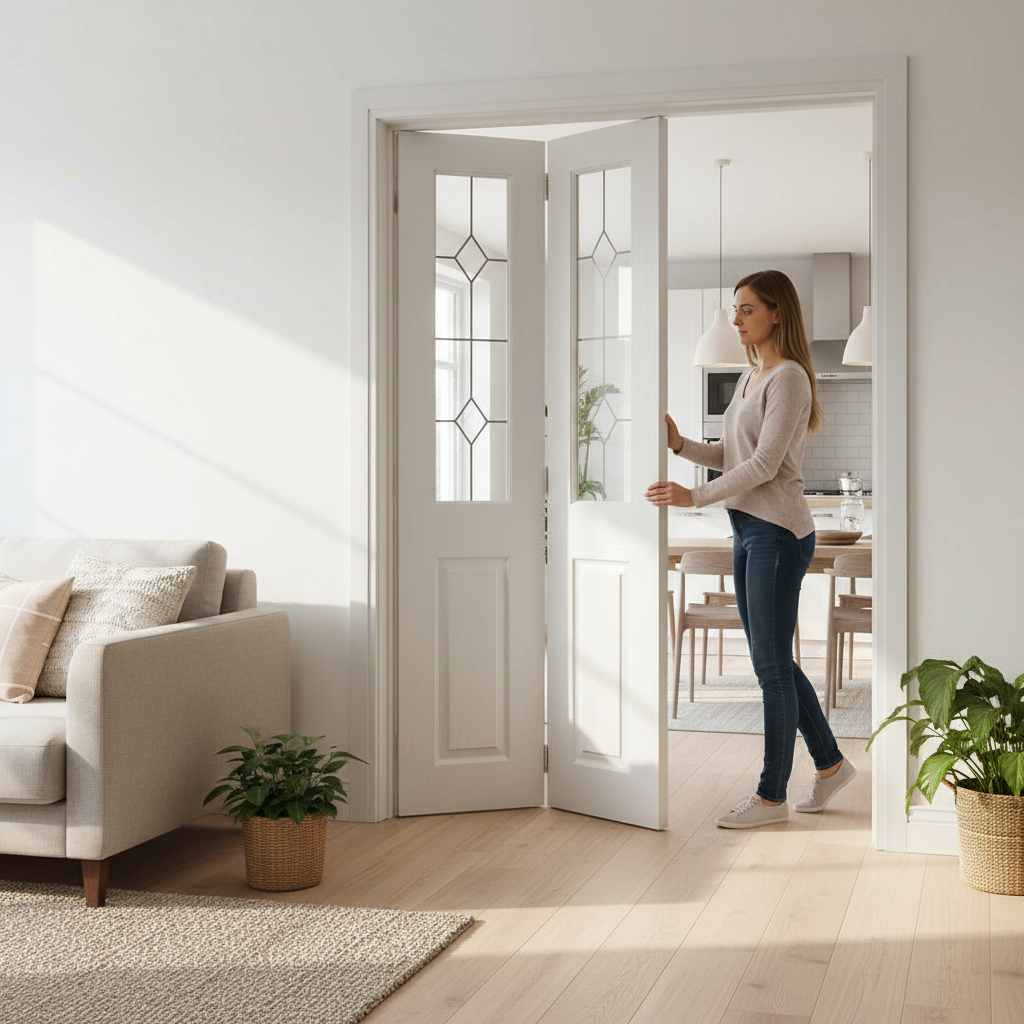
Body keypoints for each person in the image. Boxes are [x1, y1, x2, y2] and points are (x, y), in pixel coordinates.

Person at [644, 269, 856, 828]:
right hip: (747, 529)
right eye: (735, 310)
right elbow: (733, 453)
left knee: (768, 665)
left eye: (746, 310)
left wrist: (694, 499)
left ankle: (770, 797)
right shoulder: (748, 376)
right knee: (775, 662)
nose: (736, 319)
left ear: (776, 312)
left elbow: (763, 466)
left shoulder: (788, 379)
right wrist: (682, 445)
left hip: (779, 533)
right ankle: (831, 766)